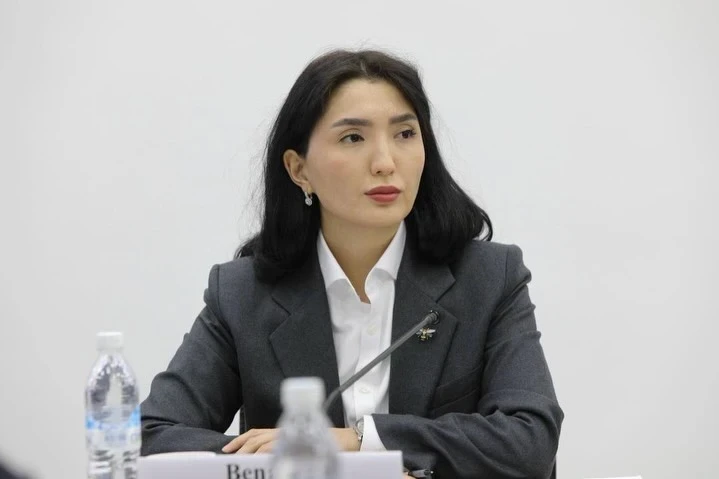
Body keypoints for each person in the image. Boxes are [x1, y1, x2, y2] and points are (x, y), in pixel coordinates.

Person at [140, 49, 563, 478]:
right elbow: (152, 435)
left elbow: (531, 441)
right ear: (299, 169)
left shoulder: (489, 278)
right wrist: (297, 461)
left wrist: (362, 441)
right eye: (353, 138)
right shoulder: (242, 294)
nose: (385, 163)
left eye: (405, 133)